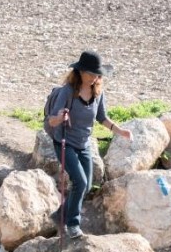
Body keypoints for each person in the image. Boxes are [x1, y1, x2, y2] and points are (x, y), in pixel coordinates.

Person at [46, 50, 131, 239]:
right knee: (80, 181)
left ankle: (59, 215)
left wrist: (120, 131)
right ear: (80, 72)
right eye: (91, 73)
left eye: (97, 74)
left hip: (84, 144)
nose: (95, 77)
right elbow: (52, 120)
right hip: (64, 142)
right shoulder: (68, 91)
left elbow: (102, 117)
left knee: (87, 184)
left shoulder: (97, 92)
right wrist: (60, 117)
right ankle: (72, 224)